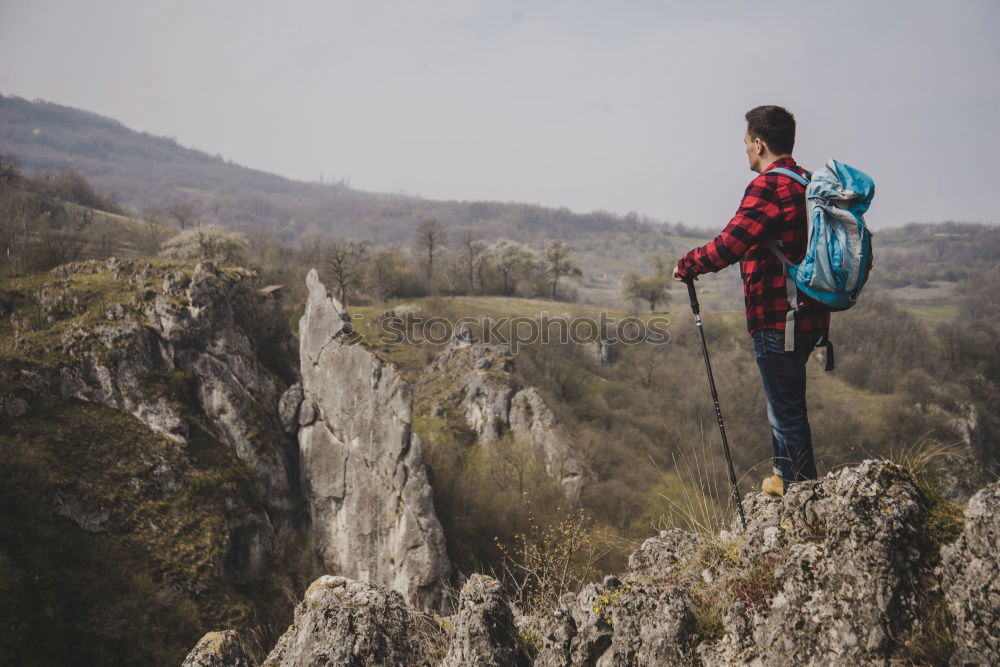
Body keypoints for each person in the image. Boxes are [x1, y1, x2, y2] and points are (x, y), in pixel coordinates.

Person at [672, 105, 830, 498]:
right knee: (785, 403)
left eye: (746, 142)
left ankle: (800, 496)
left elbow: (731, 243)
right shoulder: (806, 181)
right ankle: (782, 476)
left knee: (786, 412)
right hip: (810, 314)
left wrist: (688, 264)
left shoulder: (769, 187)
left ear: (759, 143)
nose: (744, 150)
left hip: (779, 316)